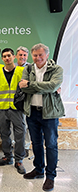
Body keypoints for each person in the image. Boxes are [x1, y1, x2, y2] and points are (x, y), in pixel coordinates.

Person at [19, 43, 64, 192]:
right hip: (32, 112)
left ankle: (50, 176)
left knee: (50, 145)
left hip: (50, 113)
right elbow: (22, 86)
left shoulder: (56, 69)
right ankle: (39, 170)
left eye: (40, 55)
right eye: (35, 55)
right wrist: (47, 87)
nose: (38, 58)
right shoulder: (29, 68)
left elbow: (52, 86)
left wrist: (32, 84)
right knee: (36, 143)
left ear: (46, 55)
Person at [0, 48, 26, 174]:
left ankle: (19, 160)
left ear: (14, 57)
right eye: (5, 56)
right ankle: (8, 157)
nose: (7, 58)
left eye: (9, 56)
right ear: (2, 59)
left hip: (16, 108)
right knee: (4, 134)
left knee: (20, 134)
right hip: (2, 108)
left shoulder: (22, 71)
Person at [13, 46, 32, 158]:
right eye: (20, 55)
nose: (22, 57)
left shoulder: (31, 68)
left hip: (26, 101)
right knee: (13, 125)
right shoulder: (12, 67)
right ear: (16, 56)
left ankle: (25, 146)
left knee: (25, 125)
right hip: (13, 101)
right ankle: (14, 145)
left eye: (24, 55)